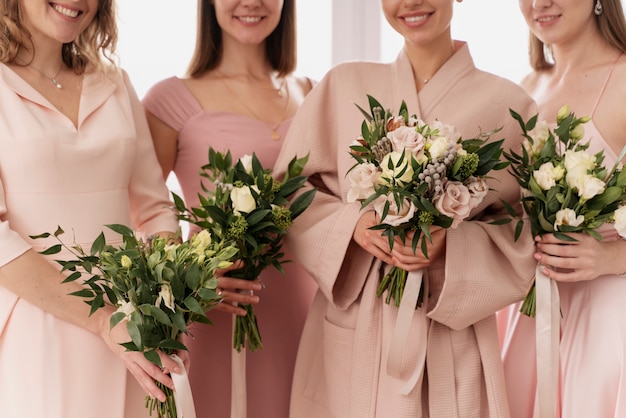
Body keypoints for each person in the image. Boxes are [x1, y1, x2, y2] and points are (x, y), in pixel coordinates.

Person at [269, 0, 540, 416]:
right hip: (356, 328)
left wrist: (452, 244)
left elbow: (527, 229)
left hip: (452, 336)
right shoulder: (343, 84)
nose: (410, 3)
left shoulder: (510, 105)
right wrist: (353, 225)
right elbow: (288, 191)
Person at [0, 0, 191, 416]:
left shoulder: (115, 82)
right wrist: (103, 321)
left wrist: (164, 305)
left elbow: (156, 208)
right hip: (37, 323)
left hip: (133, 326)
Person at [142, 0, 316, 417]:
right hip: (215, 316)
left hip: (305, 309)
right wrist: (189, 279)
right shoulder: (169, 99)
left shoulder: (312, 92)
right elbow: (144, 211)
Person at [497, 0, 626, 416]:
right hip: (530, 310)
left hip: (606, 314)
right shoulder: (526, 86)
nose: (540, 4)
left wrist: (613, 255)